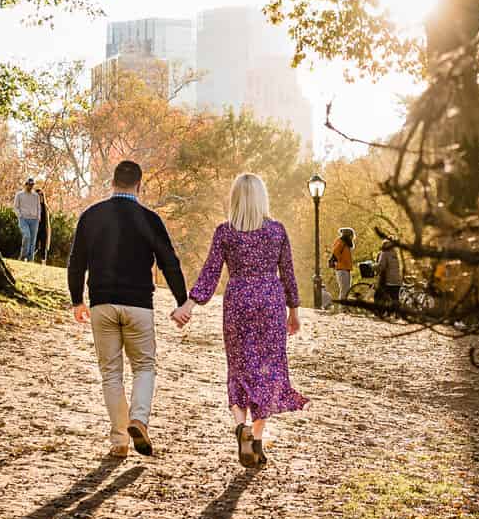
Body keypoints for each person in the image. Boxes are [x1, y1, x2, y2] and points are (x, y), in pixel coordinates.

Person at [172, 173, 307, 467]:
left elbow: (210, 273)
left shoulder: (225, 232)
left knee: (239, 368)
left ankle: (241, 427)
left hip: (238, 303)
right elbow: (288, 275)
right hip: (270, 303)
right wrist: (294, 311)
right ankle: (257, 441)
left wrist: (190, 304)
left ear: (235, 199)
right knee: (267, 371)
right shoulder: (277, 231)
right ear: (262, 198)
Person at [68, 160, 188, 458]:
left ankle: (119, 441)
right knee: (144, 366)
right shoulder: (149, 219)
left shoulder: (92, 216)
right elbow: (169, 261)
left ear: (113, 183)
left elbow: (76, 262)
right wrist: (181, 300)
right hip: (138, 305)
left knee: (111, 373)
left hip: (102, 302)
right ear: (139, 185)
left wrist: (76, 300)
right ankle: (139, 419)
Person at [12, 177, 42, 261]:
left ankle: (30, 259)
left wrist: (38, 217)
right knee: (27, 236)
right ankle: (22, 256)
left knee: (33, 241)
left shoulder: (36, 196)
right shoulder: (19, 194)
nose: (30, 187)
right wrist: (20, 216)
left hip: (34, 220)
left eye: (32, 185)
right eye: (29, 185)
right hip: (23, 219)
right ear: (26, 185)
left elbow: (38, 207)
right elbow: (15, 207)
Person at [374, 233, 403, 309]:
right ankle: (397, 314)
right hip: (397, 280)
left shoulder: (384, 253)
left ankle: (379, 312)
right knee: (395, 298)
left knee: (378, 295)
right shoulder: (395, 253)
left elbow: (381, 266)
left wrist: (373, 267)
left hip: (388, 280)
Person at [329, 227, 356, 307]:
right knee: (344, 289)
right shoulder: (341, 242)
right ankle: (342, 308)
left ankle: (344, 307)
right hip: (342, 268)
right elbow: (335, 251)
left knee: (346, 289)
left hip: (346, 268)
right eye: (352, 235)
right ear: (348, 235)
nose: (353, 237)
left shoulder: (346, 243)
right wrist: (341, 260)